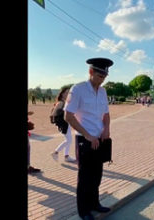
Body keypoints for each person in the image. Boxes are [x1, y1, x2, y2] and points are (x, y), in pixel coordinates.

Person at [64, 57, 113, 220]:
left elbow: (106, 114)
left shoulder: (103, 91)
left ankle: (94, 204)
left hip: (99, 139)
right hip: (85, 140)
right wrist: (87, 135)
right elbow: (68, 116)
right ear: (91, 72)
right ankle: (84, 211)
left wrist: (106, 129)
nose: (102, 80)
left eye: (105, 77)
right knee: (85, 178)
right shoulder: (77, 89)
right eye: (100, 76)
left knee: (97, 175)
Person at [50, 87, 76, 163]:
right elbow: (56, 114)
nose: (67, 94)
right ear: (62, 93)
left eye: (69, 93)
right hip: (64, 124)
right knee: (68, 140)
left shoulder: (63, 102)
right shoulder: (61, 103)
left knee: (68, 140)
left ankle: (66, 156)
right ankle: (55, 152)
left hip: (65, 123)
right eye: (66, 92)